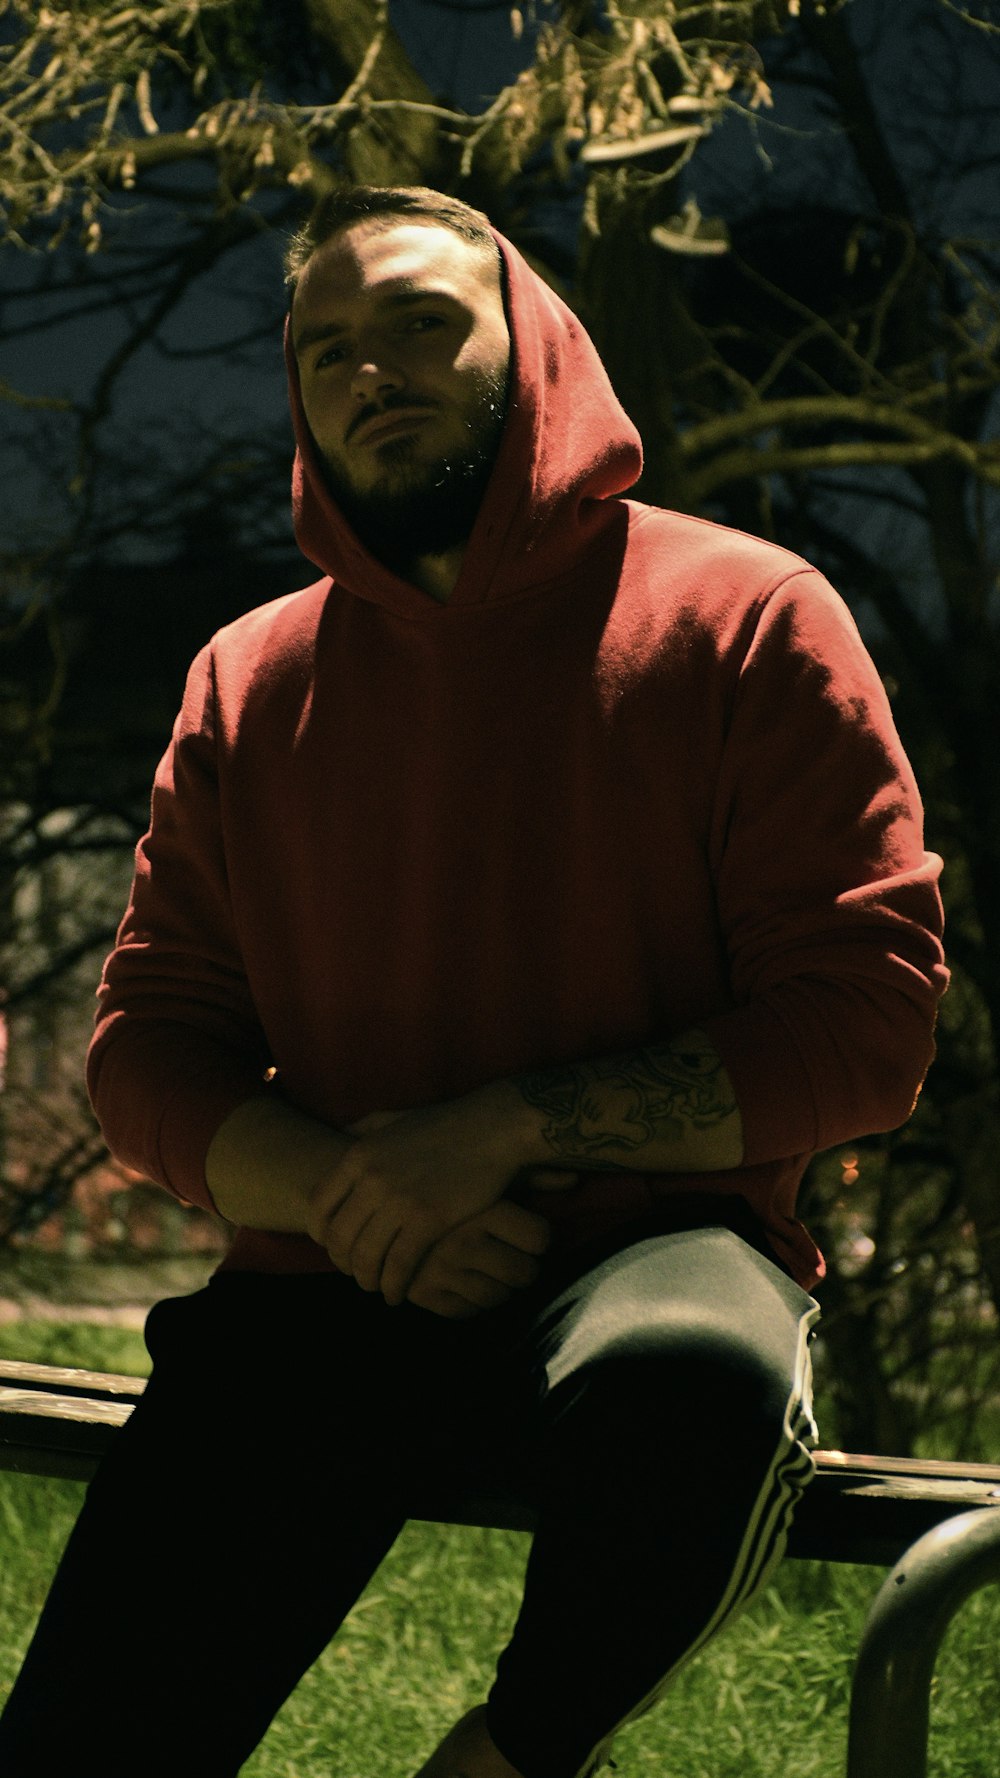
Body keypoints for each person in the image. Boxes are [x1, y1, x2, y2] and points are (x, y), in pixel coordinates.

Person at [0, 185, 948, 1778]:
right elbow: (148, 1046)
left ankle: (506, 1758)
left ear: (535, 341)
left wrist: (500, 1131)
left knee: (693, 1375)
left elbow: (866, 1023)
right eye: (324, 351)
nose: (372, 369)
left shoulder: (749, 617)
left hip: (659, 1251)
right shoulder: (250, 677)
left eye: (421, 322)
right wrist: (354, 1192)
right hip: (333, 1276)